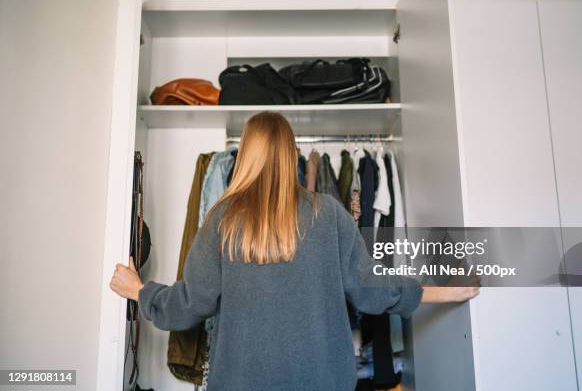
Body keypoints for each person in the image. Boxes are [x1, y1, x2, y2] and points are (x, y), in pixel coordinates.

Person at [110, 111, 479, 391]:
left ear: (245, 155)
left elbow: (190, 303)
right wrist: (446, 290)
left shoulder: (222, 218)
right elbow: (371, 291)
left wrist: (139, 290)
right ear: (291, 154)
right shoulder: (327, 212)